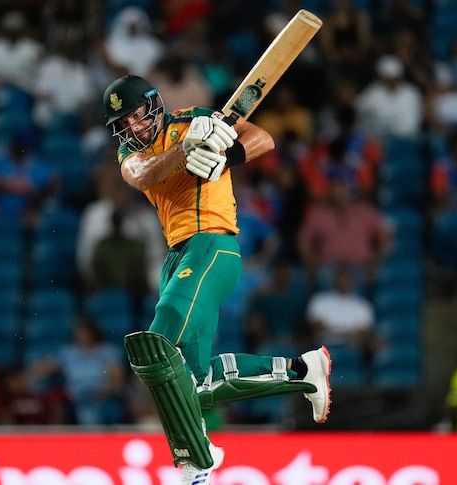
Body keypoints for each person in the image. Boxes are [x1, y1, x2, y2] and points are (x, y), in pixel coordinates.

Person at [101, 74, 331, 484]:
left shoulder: (196, 119)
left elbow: (264, 139)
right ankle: (302, 372)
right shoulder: (129, 155)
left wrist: (228, 156)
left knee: (156, 346)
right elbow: (147, 174)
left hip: (212, 246)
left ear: (154, 104)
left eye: (138, 116)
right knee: (197, 381)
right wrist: (185, 149)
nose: (134, 128)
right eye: (125, 125)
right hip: (177, 257)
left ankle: (196, 459)